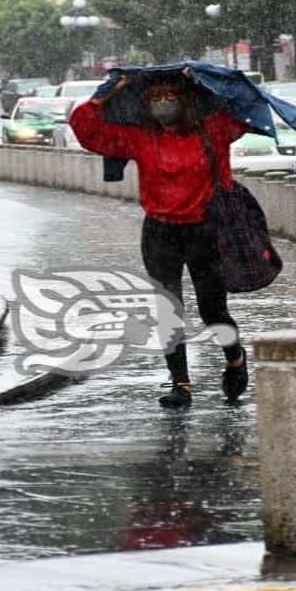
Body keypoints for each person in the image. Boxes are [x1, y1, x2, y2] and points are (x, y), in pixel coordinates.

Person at [69, 70, 250, 409]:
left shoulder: (214, 130)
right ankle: (181, 384)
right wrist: (107, 92)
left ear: (186, 100)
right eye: (155, 98)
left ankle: (236, 359)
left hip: (206, 231)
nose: (163, 103)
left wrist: (205, 78)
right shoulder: (140, 137)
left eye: (171, 96)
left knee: (213, 310)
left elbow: (246, 105)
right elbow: (86, 129)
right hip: (160, 232)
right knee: (168, 309)